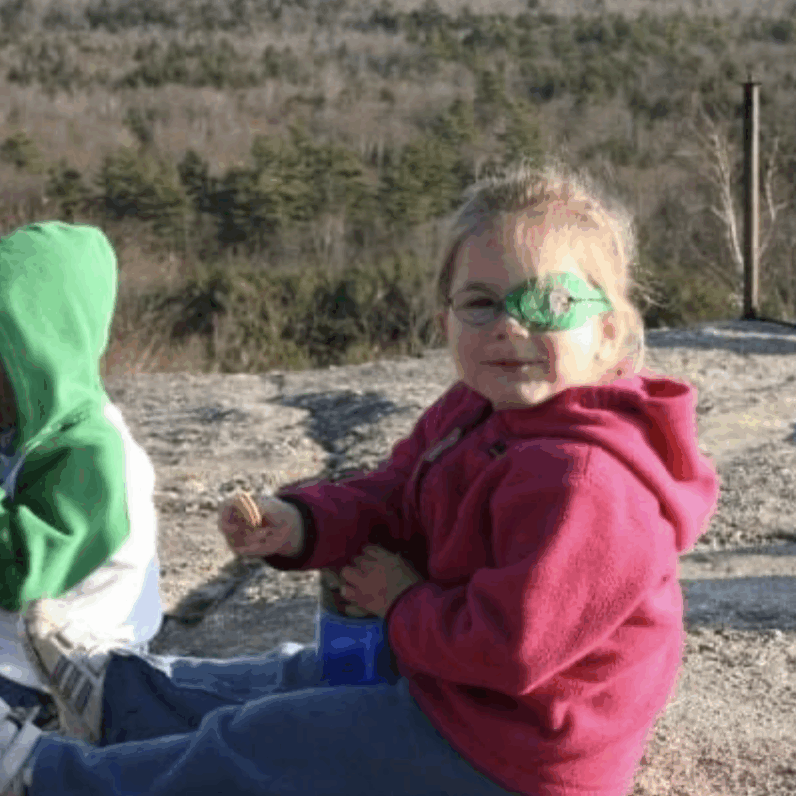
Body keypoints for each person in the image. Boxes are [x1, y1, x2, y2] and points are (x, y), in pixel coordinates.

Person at [0, 163, 719, 796]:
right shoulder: (476, 411)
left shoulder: (588, 482)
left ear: (609, 332)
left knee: (269, 742)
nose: (510, 326)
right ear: (446, 320)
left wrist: (402, 602)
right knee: (292, 677)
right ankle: (119, 698)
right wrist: (303, 524)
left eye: (549, 303)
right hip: (451, 683)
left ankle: (47, 778)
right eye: (481, 303)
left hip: (515, 752)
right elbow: (396, 495)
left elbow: (513, 649)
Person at [0, 220, 164, 761]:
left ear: (45, 352)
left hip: (57, 686)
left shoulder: (95, 455)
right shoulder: (25, 429)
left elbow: (23, 572)